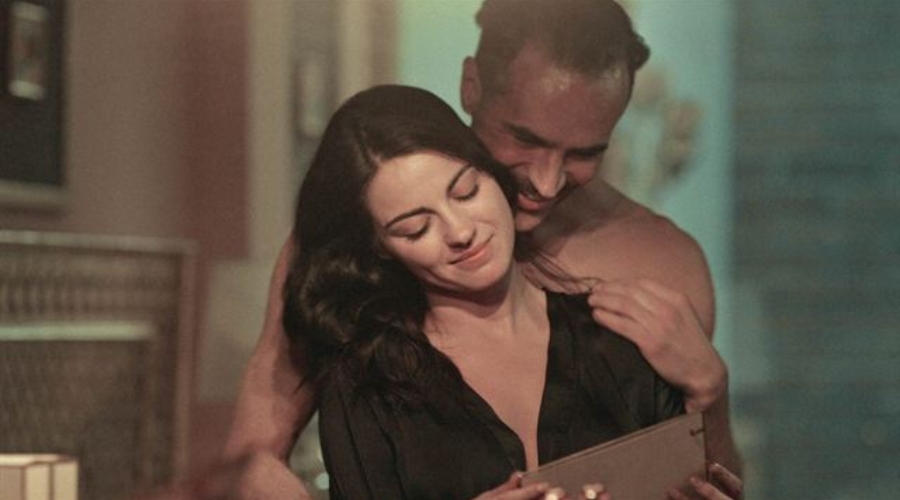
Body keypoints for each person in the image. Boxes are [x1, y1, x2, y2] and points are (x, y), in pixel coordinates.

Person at [225, 0, 741, 496]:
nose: (546, 182)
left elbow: (702, 475)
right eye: (526, 139)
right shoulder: (350, 250)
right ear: (470, 86)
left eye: (584, 153)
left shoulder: (660, 261)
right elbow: (251, 464)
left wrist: (712, 393)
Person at [286, 83, 686, 499]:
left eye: (467, 192)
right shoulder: (366, 388)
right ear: (380, 247)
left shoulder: (620, 339)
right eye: (416, 229)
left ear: (492, 172)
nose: (460, 232)